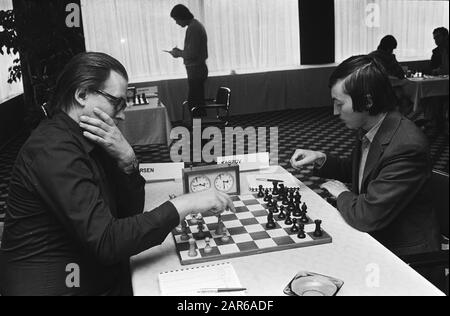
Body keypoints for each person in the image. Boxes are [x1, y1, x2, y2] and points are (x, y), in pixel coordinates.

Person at [0, 52, 234, 296]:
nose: (122, 114)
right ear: (81, 95)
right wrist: (185, 203)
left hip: (89, 271)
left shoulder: (88, 136)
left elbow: (127, 214)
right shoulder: (53, 148)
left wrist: (128, 162)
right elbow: (108, 242)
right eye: (117, 102)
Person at [290, 55, 440, 257]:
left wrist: (342, 193)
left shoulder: (406, 146)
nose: (335, 112)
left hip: (402, 255)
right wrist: (320, 157)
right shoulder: (373, 127)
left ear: (367, 101)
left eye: (339, 104)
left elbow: (367, 216)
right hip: (374, 234)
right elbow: (362, 170)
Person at [168, 4, 208, 117]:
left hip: (196, 70)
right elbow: (192, 51)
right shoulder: (195, 26)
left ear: (182, 16)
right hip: (196, 70)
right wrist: (181, 52)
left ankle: (198, 130)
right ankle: (198, 129)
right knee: (196, 101)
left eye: (176, 19)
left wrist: (178, 53)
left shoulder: (193, 28)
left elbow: (192, 54)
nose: (176, 23)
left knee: (195, 103)